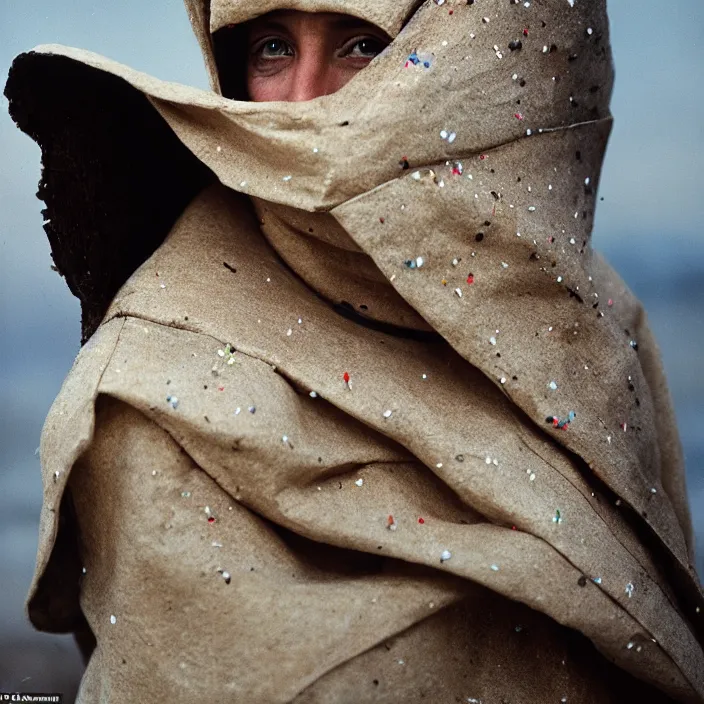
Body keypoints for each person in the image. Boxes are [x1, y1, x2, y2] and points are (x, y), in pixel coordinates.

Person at [4, 1, 704, 702]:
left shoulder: (581, 319)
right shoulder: (153, 394)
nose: (304, 99)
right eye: (272, 47)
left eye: (362, 46)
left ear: (499, 62)